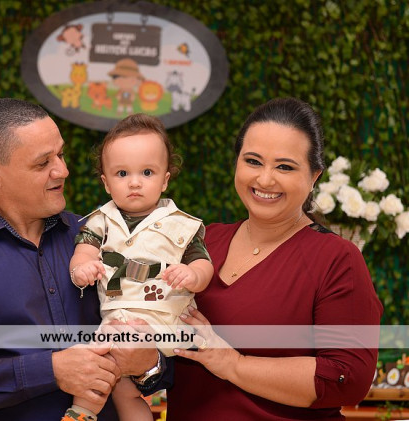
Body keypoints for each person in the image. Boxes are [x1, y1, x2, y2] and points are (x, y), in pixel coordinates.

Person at [0, 98, 158, 421]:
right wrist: (50, 370)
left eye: (61, 155)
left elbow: (164, 340)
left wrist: (150, 362)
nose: (63, 171)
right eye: (43, 163)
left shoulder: (104, 236)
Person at [160, 97, 383, 420]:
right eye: (253, 161)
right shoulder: (201, 241)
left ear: (314, 177)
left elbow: (347, 377)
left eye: (285, 166)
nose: (265, 180)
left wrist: (233, 364)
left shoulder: (337, 259)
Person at [65, 114, 213, 421]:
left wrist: (194, 275)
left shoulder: (180, 225)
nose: (134, 182)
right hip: (117, 320)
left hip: (163, 321)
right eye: (122, 173)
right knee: (113, 383)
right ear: (106, 183)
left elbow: (202, 262)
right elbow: (83, 252)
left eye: (147, 172)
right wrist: (81, 269)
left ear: (165, 180)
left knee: (100, 362)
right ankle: (80, 413)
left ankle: (80, 412)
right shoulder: (100, 221)